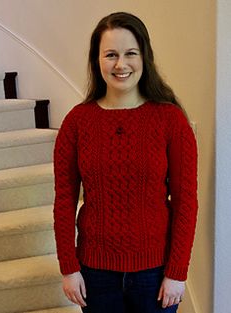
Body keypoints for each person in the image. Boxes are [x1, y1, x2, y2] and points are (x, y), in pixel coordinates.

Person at [53, 12, 198, 313]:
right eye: (111, 55)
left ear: (144, 57)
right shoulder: (77, 123)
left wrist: (177, 272)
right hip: (95, 274)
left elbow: (186, 202)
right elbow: (64, 201)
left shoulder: (170, 120)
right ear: (97, 60)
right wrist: (69, 267)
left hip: (155, 274)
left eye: (131, 53)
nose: (121, 64)